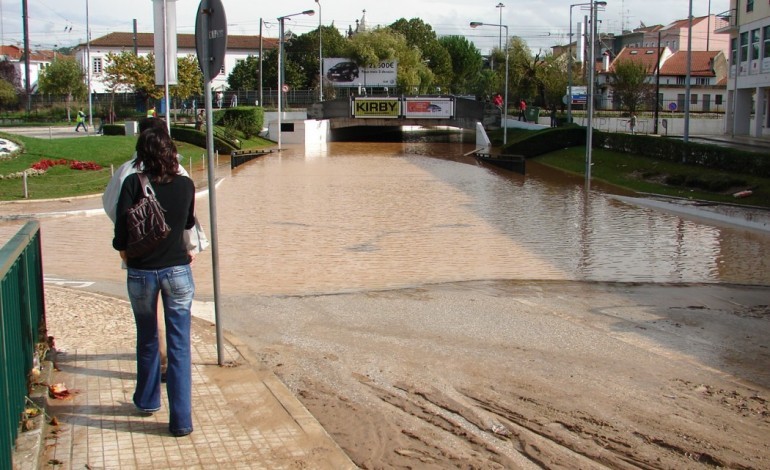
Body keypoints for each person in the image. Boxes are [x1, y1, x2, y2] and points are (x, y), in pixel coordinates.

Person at [103, 117, 202, 384]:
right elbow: (187, 218)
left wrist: (125, 246)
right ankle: (181, 413)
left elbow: (113, 210)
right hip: (175, 259)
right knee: (178, 336)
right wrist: (190, 247)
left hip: (140, 259)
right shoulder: (181, 175)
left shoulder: (127, 174)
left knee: (147, 331)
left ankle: (149, 393)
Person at [113, 127, 196, 437]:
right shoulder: (187, 184)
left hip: (141, 273)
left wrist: (127, 254)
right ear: (171, 152)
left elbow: (121, 235)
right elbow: (187, 224)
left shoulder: (133, 183)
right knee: (179, 346)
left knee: (148, 338)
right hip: (177, 271)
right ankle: (181, 421)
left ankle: (148, 401)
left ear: (142, 156)